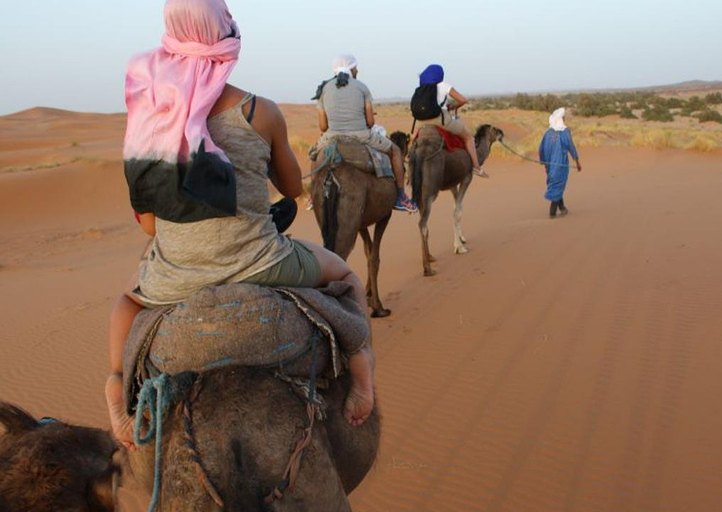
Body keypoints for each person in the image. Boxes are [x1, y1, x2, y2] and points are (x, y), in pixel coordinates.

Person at [106, 0, 375, 450]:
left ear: (171, 37)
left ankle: (116, 388)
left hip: (175, 278)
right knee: (346, 275)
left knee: (125, 302)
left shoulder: (149, 119)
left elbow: (150, 227)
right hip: (264, 263)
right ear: (226, 35)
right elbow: (291, 188)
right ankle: (362, 365)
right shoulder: (261, 112)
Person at [315, 55, 417, 213]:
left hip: (332, 136)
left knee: (314, 156)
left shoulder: (324, 90)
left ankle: (313, 196)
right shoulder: (362, 87)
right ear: (351, 69)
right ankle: (400, 197)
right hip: (361, 135)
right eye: (356, 67)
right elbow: (370, 122)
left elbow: (323, 126)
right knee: (396, 152)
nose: (358, 70)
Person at [414, 64, 488, 178]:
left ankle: (409, 163)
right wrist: (454, 106)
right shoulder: (443, 85)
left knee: (413, 141)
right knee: (468, 138)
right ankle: (476, 167)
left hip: (420, 122)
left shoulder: (421, 88)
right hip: (440, 119)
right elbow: (463, 100)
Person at [538, 108, 582, 218]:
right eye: (563, 118)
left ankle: (562, 208)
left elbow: (541, 149)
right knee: (558, 185)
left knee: (557, 185)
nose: (564, 119)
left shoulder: (547, 133)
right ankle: (552, 212)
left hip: (550, 165)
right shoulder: (565, 132)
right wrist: (577, 161)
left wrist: (544, 162)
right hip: (560, 164)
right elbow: (571, 146)